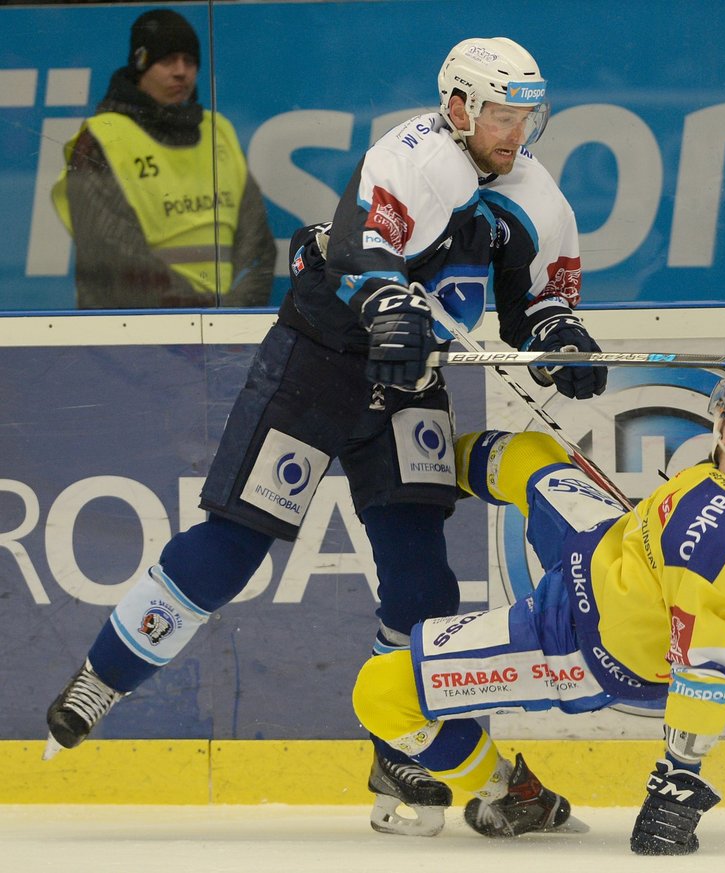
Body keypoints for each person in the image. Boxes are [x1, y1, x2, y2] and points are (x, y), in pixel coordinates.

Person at [43, 35, 607, 840]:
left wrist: (563, 346)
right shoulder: (410, 157)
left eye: (526, 117)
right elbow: (358, 255)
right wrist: (389, 306)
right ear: (457, 106)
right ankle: (104, 675)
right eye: (500, 115)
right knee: (236, 541)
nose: (515, 132)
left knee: (422, 578)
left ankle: (397, 745)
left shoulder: (537, 198)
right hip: (317, 367)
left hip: (410, 385)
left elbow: (535, 310)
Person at [352, 369, 725, 854]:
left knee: (380, 693)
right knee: (523, 454)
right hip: (602, 546)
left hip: (581, 638)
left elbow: (705, 670)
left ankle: (509, 793)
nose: (718, 416)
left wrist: (678, 780)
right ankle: (410, 484)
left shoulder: (705, 549)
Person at [51, 8, 275, 308]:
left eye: (190, 61)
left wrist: (231, 311)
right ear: (141, 64)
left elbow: (256, 244)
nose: (181, 71)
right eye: (167, 60)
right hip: (131, 335)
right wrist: (200, 313)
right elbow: (112, 254)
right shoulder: (103, 138)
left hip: (220, 330)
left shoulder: (218, 131)